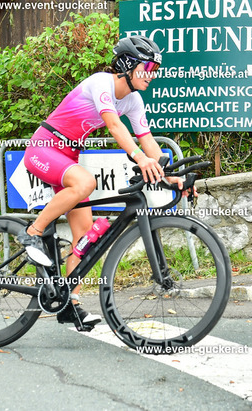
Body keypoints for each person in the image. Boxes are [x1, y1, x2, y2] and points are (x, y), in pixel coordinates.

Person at [16, 36, 188, 330]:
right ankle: (32, 232)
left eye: (155, 69)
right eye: (147, 67)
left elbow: (148, 141)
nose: (152, 74)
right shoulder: (101, 83)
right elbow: (114, 125)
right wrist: (138, 157)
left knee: (85, 238)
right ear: (127, 65)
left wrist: (171, 175)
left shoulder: (133, 100)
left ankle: (69, 304)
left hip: (68, 156)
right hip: (44, 148)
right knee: (86, 182)